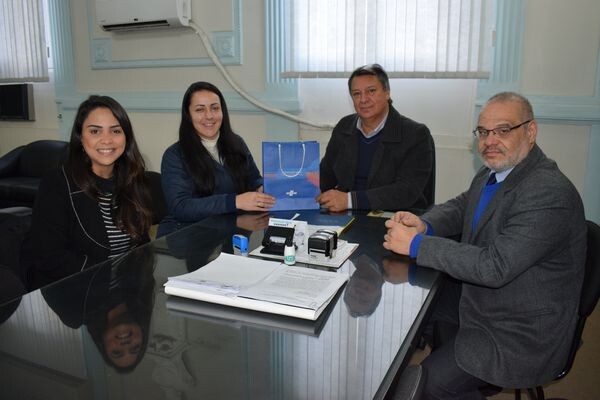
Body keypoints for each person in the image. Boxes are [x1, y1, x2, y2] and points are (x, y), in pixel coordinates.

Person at [383, 92, 586, 398]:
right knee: (408, 312)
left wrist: (417, 245)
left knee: (422, 385)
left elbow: (494, 266)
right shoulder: (496, 171)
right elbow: (462, 206)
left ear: (530, 131)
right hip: (485, 299)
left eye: (503, 130)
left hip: (519, 330)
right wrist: (425, 224)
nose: (490, 141)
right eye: (483, 132)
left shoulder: (548, 192)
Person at [21, 95, 153, 290]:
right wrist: (108, 281)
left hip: (125, 291)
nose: (106, 140)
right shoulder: (58, 183)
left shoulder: (133, 179)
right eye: (95, 131)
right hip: (77, 294)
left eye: (116, 130)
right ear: (81, 138)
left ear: (126, 137)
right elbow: (47, 256)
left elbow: (141, 246)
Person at [159, 81, 275, 237]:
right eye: (200, 109)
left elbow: (254, 179)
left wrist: (261, 188)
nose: (209, 115)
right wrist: (235, 201)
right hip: (186, 236)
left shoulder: (237, 143)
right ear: (188, 115)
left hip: (230, 229)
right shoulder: (174, 155)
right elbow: (180, 207)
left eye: (215, 108)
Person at [317, 64, 434, 212]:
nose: (363, 99)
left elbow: (407, 191)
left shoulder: (416, 134)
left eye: (371, 91)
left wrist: (350, 200)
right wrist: (298, 191)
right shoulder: (344, 127)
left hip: (395, 216)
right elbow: (326, 175)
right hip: (347, 214)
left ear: (387, 93)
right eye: (356, 94)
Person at [41, 245, 156, 371]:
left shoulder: (74, 313)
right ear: (142, 335)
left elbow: (45, 261)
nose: (125, 345)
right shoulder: (140, 286)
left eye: (117, 352)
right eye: (135, 348)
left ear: (103, 344)